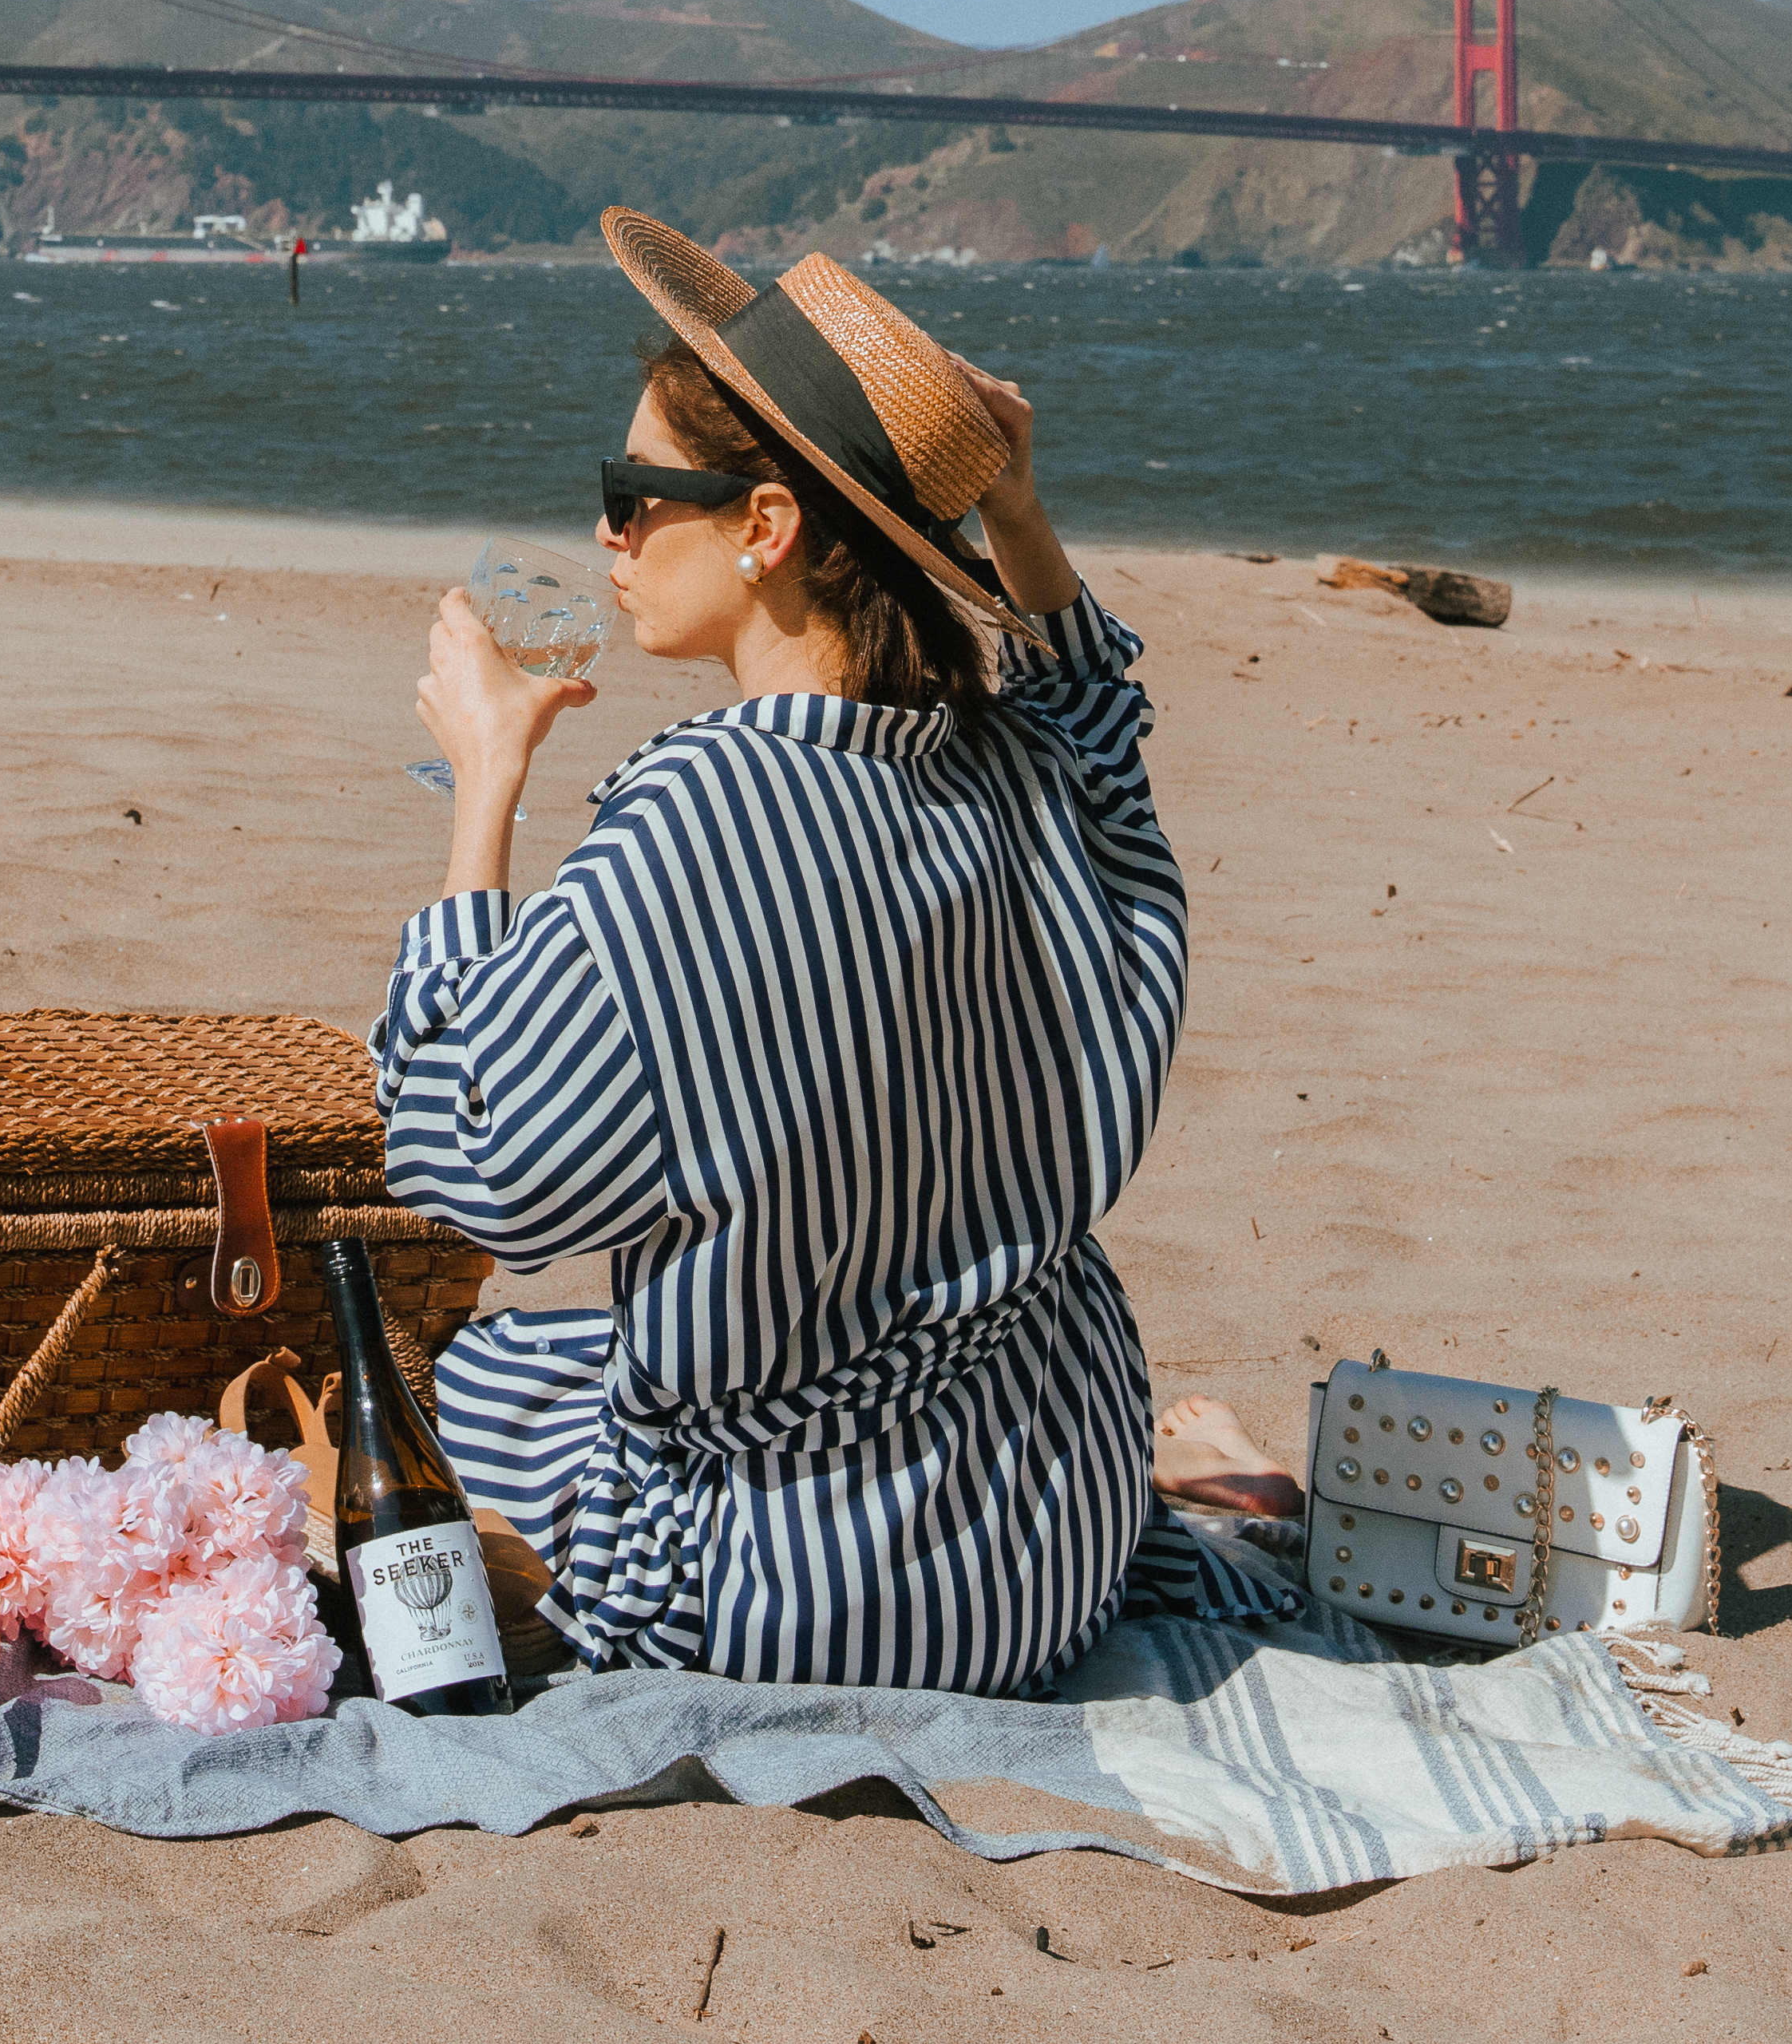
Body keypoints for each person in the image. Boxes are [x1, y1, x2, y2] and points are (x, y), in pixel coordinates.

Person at [369, 209, 1296, 1690]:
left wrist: (485, 784)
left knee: (464, 1379)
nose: (608, 530)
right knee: (577, 1361)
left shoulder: (694, 816)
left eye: (635, 492)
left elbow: (479, 1179)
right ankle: (1202, 1468)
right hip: (1054, 1524)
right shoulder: (1010, 771)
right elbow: (1100, 734)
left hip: (807, 1596)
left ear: (766, 527)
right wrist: (1019, 512)